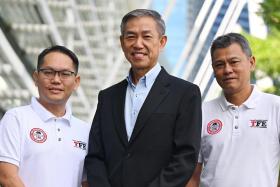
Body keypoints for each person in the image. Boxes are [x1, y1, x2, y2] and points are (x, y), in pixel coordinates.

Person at [85, 9, 202, 187]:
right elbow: (95, 155)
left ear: (162, 42)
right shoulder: (107, 97)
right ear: (122, 42)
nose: (138, 44)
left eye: (146, 37)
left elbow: (185, 158)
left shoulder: (186, 94)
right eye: (130, 36)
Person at [186, 33, 280, 187]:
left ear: (251, 62)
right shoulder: (201, 113)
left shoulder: (276, 107)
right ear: (213, 70)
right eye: (219, 64)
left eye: (234, 62)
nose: (227, 70)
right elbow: (192, 177)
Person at [0, 45, 90, 187]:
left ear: (76, 82)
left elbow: (86, 182)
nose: (56, 80)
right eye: (48, 72)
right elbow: (7, 176)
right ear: (36, 77)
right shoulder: (16, 119)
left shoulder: (85, 131)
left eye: (65, 74)